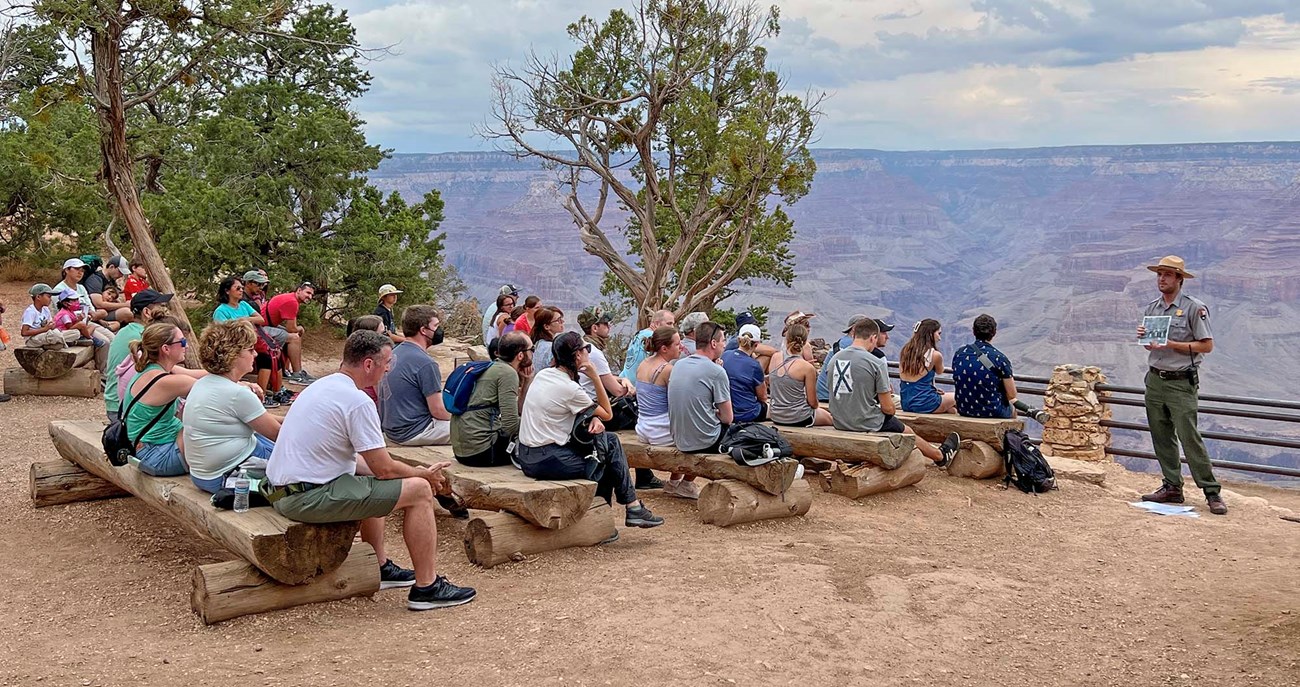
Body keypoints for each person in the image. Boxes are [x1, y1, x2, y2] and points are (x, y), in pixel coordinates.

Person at [264, 330, 477, 610]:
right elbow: (385, 469)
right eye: (386, 362)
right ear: (368, 364)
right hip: (306, 497)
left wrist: (408, 471)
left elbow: (370, 467)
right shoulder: (358, 401)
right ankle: (427, 587)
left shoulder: (321, 386)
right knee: (420, 491)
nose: (388, 368)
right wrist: (423, 474)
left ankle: (380, 567)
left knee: (371, 480)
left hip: (283, 491)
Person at [517, 331, 664, 528]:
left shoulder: (545, 375)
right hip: (547, 459)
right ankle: (617, 514)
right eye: (586, 349)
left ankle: (619, 513)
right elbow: (608, 413)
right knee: (607, 454)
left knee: (606, 443)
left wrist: (593, 417)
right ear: (578, 356)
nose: (589, 353)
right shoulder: (570, 388)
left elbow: (568, 408)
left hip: (527, 455)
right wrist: (595, 376)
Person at [1136, 256, 1225, 515]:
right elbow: (1151, 343)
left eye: (1167, 274)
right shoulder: (1152, 308)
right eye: (1159, 274)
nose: (1161, 279)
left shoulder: (1193, 308)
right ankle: (1172, 486)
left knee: (1189, 436)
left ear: (1179, 279)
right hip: (1155, 379)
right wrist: (1145, 337)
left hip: (1180, 382)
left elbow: (1206, 345)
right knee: (1161, 434)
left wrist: (1171, 345)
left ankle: (1211, 491)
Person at [829, 317, 960, 467]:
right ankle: (940, 456)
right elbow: (888, 408)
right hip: (864, 421)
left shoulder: (835, 358)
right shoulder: (875, 363)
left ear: (853, 335)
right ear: (873, 338)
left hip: (839, 420)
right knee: (905, 429)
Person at [184, 320, 279, 493]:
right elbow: (278, 434)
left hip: (201, 475)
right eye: (250, 350)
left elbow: (260, 419)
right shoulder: (237, 394)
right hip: (226, 475)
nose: (256, 354)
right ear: (233, 355)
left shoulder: (204, 383)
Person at [123, 323, 201, 477]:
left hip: (147, 448)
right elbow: (216, 391)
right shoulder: (165, 381)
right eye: (183, 342)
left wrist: (241, 382)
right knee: (211, 426)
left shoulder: (152, 369)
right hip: (156, 456)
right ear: (166, 349)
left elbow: (201, 375)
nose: (186, 346)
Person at [103, 290, 188, 422]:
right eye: (161, 307)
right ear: (147, 312)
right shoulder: (146, 338)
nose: (165, 312)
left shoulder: (126, 331)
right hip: (124, 408)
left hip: (115, 402)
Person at [452, 332, 532, 467]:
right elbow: (511, 425)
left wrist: (526, 381)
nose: (532, 353)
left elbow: (517, 412)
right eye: (531, 350)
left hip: (463, 451)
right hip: (482, 452)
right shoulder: (507, 373)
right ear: (520, 355)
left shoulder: (492, 367)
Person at [952, 314, 1048, 423]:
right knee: (1012, 410)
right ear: (994, 333)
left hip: (964, 408)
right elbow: (1012, 394)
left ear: (973, 331)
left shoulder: (960, 353)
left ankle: (1031, 412)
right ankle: (1011, 438)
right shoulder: (1000, 358)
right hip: (991, 411)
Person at [379, 305, 453, 447]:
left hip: (392, 429)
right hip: (414, 431)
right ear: (424, 330)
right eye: (436, 325)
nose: (439, 330)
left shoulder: (394, 353)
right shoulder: (425, 363)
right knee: (473, 430)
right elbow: (438, 411)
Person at [668, 321, 734, 453]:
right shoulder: (717, 371)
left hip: (680, 439)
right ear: (713, 343)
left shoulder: (678, 365)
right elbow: (728, 418)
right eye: (723, 341)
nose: (725, 345)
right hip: (706, 441)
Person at [767, 323, 833, 427]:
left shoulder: (775, 358)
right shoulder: (807, 368)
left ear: (787, 339)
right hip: (799, 417)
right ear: (805, 342)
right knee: (831, 419)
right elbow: (813, 403)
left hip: (776, 415)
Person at [898, 319, 956, 414]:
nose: (939, 338)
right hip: (925, 402)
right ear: (930, 334)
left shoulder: (905, 351)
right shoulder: (934, 355)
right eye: (938, 333)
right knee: (957, 397)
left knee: (951, 410)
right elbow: (940, 371)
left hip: (906, 402)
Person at [263, 281, 316, 384]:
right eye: (308, 293)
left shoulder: (291, 298)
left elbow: (290, 327)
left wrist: (297, 328)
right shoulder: (292, 302)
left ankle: (288, 370)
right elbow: (291, 328)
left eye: (311, 295)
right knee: (294, 338)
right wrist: (300, 328)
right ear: (299, 290)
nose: (310, 297)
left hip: (266, 326)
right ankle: (297, 375)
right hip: (260, 328)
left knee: (291, 335)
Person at [51, 288, 112, 369]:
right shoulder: (64, 313)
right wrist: (79, 322)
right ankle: (90, 338)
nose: (77, 302)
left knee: (91, 326)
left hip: (71, 330)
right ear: (66, 303)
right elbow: (69, 326)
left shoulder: (70, 311)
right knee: (82, 325)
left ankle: (84, 337)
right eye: (74, 300)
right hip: (65, 332)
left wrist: (81, 319)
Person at [721, 323, 769, 423]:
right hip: (748, 414)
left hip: (727, 411)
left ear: (738, 340)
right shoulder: (754, 366)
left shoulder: (725, 355)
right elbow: (763, 397)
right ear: (756, 344)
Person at [619, 309, 675, 381]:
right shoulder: (653, 338)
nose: (672, 327)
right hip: (636, 386)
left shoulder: (640, 334)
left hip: (624, 379)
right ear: (657, 323)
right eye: (669, 323)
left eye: (673, 324)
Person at [21, 284, 79, 349]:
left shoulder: (46, 309)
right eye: (48, 297)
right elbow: (24, 332)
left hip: (46, 335)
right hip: (33, 339)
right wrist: (44, 329)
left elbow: (50, 326)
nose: (50, 299)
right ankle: (62, 343)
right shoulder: (31, 311)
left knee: (76, 332)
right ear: (38, 297)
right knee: (54, 335)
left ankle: (54, 344)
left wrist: (52, 326)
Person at [84, 255, 132, 325]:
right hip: (98, 312)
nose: (121, 275)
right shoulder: (95, 280)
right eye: (120, 272)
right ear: (111, 267)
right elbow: (99, 304)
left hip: (108, 310)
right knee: (127, 313)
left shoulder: (111, 281)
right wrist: (125, 305)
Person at [530, 306, 565, 371]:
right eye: (558, 320)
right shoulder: (551, 348)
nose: (563, 321)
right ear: (546, 326)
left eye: (561, 318)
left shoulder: (538, 343)